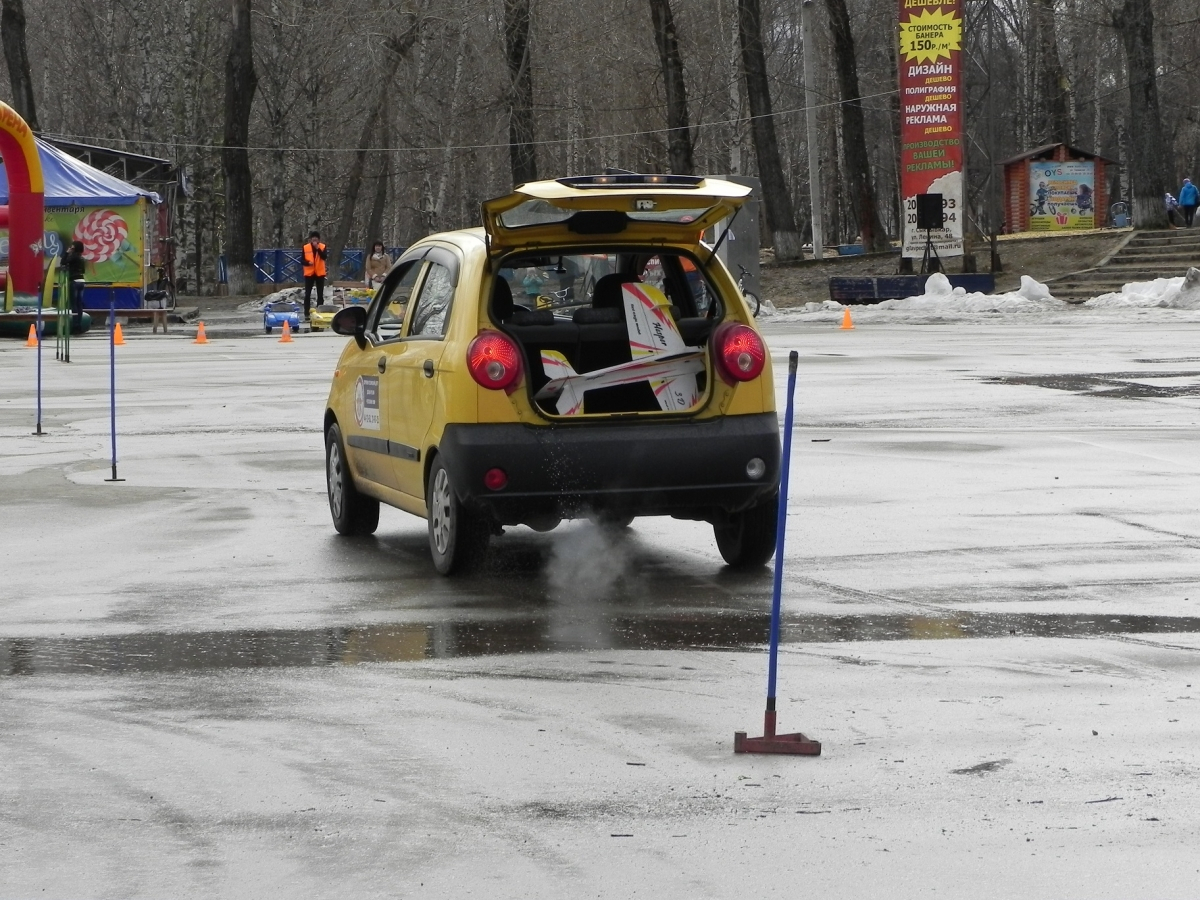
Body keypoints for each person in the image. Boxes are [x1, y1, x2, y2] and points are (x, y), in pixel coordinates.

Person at [302, 230, 329, 319]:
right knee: (307, 294)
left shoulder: (322, 247)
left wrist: (318, 249)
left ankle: (319, 311)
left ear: (318, 240)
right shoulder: (306, 248)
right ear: (310, 239)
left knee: (320, 294)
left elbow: (324, 257)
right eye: (313, 239)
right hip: (309, 274)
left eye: (316, 239)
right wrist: (307, 263)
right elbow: (302, 260)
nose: (314, 241)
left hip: (320, 273)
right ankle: (306, 312)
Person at [62, 240, 86, 333]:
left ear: (74, 248)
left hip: (74, 281)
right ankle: (79, 324)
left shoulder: (74, 256)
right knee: (79, 304)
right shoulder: (81, 258)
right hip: (82, 281)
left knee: (74, 304)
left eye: (72, 246)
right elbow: (83, 270)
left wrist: (67, 253)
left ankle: (75, 325)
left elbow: (63, 262)